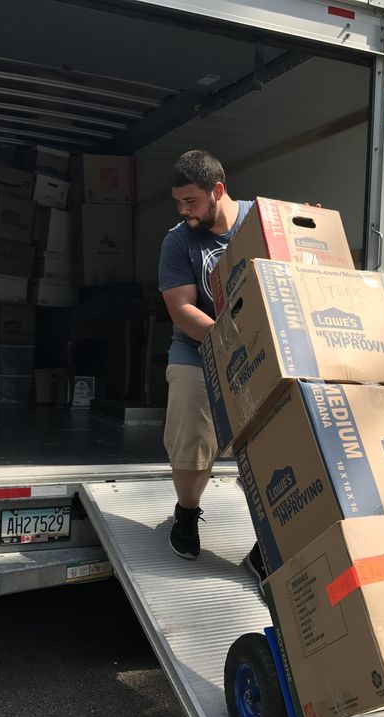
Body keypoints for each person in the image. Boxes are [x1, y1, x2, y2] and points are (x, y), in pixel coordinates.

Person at [158, 150, 258, 568]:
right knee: (192, 433)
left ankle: (270, 538)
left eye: (191, 202)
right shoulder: (178, 239)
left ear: (218, 190)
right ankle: (186, 511)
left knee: (274, 439)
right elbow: (181, 309)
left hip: (262, 350)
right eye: (178, 202)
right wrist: (227, 339)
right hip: (196, 350)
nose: (184, 211)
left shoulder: (260, 222)